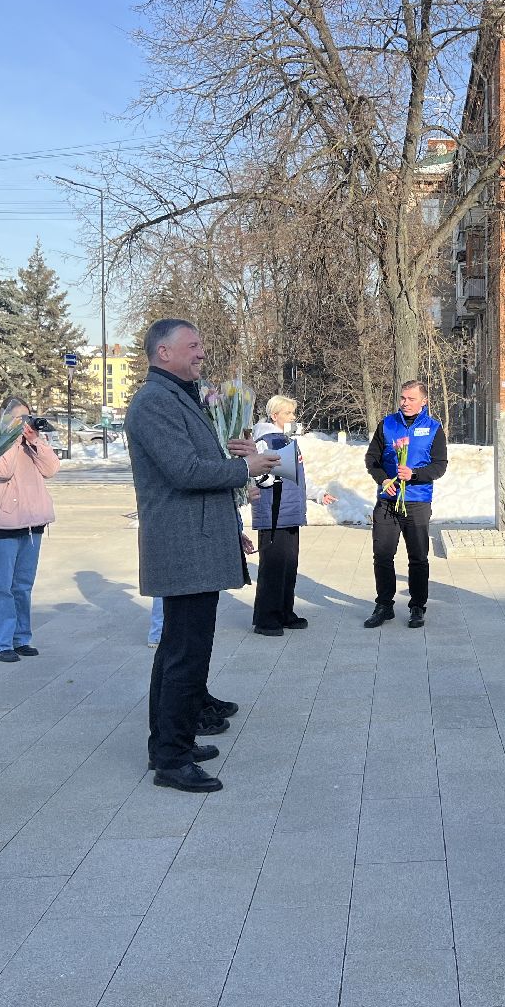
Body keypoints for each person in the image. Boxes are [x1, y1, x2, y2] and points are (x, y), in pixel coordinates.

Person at [126, 319, 280, 794]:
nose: (201, 353)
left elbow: (199, 462)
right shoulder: (154, 401)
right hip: (182, 544)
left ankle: (173, 741)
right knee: (183, 655)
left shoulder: (178, 397)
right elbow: (183, 470)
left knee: (182, 650)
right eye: (193, 345)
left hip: (196, 541)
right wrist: (243, 468)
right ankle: (171, 759)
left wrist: (234, 454)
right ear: (163, 352)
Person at [363, 381, 448, 629]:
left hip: (417, 500)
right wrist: (384, 479)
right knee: (382, 554)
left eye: (411, 399)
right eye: (402, 398)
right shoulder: (387, 424)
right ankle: (384, 605)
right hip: (388, 500)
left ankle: (417, 606)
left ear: (424, 401)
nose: (405, 403)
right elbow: (372, 459)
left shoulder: (433, 429)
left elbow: (440, 466)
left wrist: (415, 474)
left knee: (418, 557)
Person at [250, 395, 335, 635]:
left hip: (290, 511)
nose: (293, 418)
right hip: (273, 512)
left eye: (293, 413)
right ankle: (266, 619)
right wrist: (266, 478)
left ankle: (285, 612)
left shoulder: (286, 440)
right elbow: (256, 473)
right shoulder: (263, 440)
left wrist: (318, 494)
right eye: (288, 413)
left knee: (288, 565)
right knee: (273, 567)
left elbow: (298, 475)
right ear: (275, 415)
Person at [0, 396, 59, 662]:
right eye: (19, 418)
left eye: (26, 417)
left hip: (33, 522)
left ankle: (21, 637)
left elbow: (51, 469)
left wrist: (35, 441)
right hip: (5, 522)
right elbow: (2, 471)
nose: (24, 423)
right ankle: (1, 643)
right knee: (2, 585)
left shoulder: (32, 443)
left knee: (23, 585)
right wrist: (14, 438)